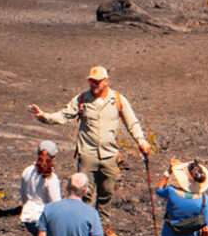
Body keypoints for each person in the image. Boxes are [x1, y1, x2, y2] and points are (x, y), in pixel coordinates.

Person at [31, 65, 150, 212]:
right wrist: (44, 117)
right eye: (91, 81)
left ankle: (103, 226)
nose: (93, 84)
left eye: (97, 81)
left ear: (106, 81)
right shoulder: (82, 99)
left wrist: (141, 141)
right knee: (84, 194)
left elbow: (132, 123)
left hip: (110, 155)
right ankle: (83, 226)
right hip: (88, 155)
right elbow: (63, 116)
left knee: (106, 193)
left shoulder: (118, 100)